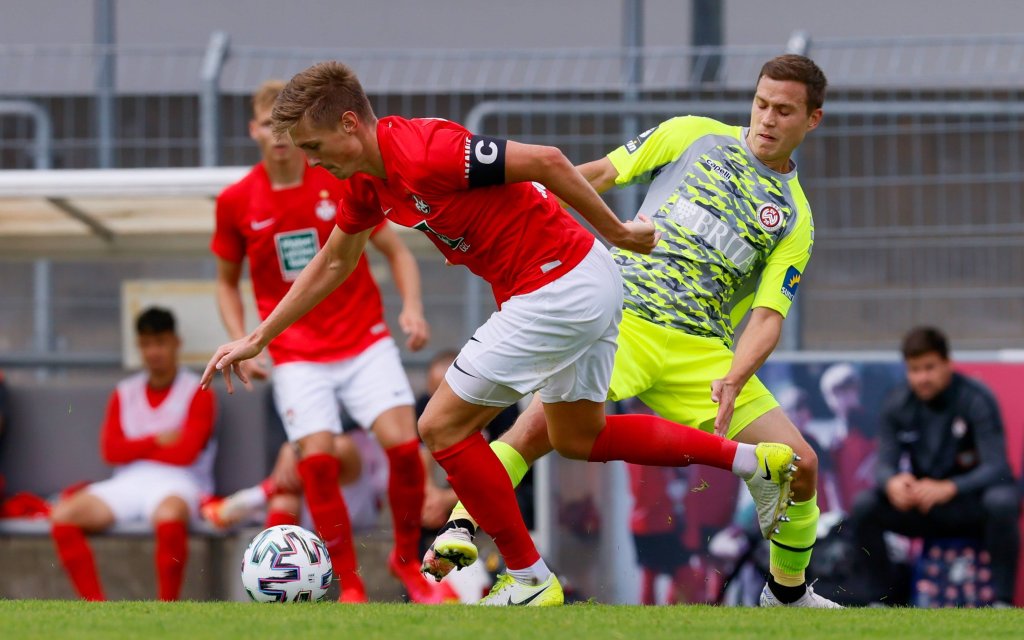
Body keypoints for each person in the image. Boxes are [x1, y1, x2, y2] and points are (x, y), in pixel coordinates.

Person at [201, 60, 799, 608]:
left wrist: (617, 232)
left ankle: (529, 577)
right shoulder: (364, 179)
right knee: (578, 436)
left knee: (437, 425)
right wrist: (259, 337)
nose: (310, 160)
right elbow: (334, 261)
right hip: (573, 286)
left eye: (314, 145)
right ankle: (754, 463)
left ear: (350, 123)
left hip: (557, 284)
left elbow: (548, 162)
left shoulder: (425, 149)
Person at [423, 54, 840, 608]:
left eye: (783, 111)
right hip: (622, 319)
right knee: (533, 432)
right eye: (761, 103)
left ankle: (786, 595)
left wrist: (737, 375)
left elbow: (767, 316)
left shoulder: (794, 216)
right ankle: (459, 527)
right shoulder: (692, 135)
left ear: (812, 120)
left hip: (702, 354)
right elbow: (593, 176)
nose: (766, 119)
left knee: (800, 464)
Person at [210, 79, 443, 603]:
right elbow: (226, 282)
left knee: (406, 449)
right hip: (296, 352)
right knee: (316, 461)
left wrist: (411, 307)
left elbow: (396, 251)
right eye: (267, 126)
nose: (278, 138)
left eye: (284, 128)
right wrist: (242, 338)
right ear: (254, 130)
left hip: (364, 338)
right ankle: (351, 584)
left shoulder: (337, 179)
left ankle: (406, 559)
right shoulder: (236, 202)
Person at [49, 307, 216, 601]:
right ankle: (97, 608)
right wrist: (158, 439)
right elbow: (110, 451)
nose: (154, 352)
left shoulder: (198, 389)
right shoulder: (124, 391)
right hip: (127, 481)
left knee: (170, 515)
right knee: (63, 516)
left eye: (161, 342)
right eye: (147, 344)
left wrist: (135, 446)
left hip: (179, 481)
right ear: (139, 346)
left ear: (176, 343)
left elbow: (186, 453)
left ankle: (167, 608)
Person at [851, 326, 1021, 606]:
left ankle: (1002, 601)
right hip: (922, 506)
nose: (922, 378)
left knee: (1002, 501)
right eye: (914, 369)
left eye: (929, 367)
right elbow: (883, 465)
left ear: (947, 363)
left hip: (969, 506)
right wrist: (893, 482)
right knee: (865, 505)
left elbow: (998, 467)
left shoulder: (976, 398)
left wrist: (951, 487)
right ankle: (880, 600)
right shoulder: (897, 402)